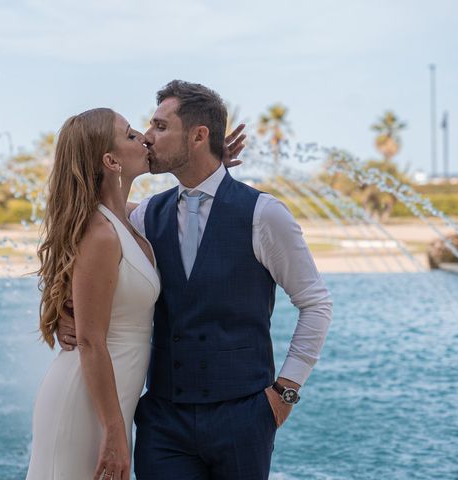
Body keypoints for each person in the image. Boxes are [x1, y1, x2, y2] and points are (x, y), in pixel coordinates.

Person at [58, 80, 333, 479]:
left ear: (199, 135)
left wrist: (286, 392)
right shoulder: (145, 215)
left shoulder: (263, 214)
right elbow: (81, 229)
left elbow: (316, 303)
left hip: (244, 419)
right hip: (163, 424)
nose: (148, 138)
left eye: (160, 127)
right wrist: (60, 310)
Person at [25, 106, 244, 480]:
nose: (143, 137)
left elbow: (190, 207)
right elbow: (92, 341)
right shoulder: (101, 234)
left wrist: (206, 161)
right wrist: (113, 432)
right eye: (129, 135)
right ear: (111, 161)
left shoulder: (127, 217)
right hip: (87, 403)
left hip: (111, 404)